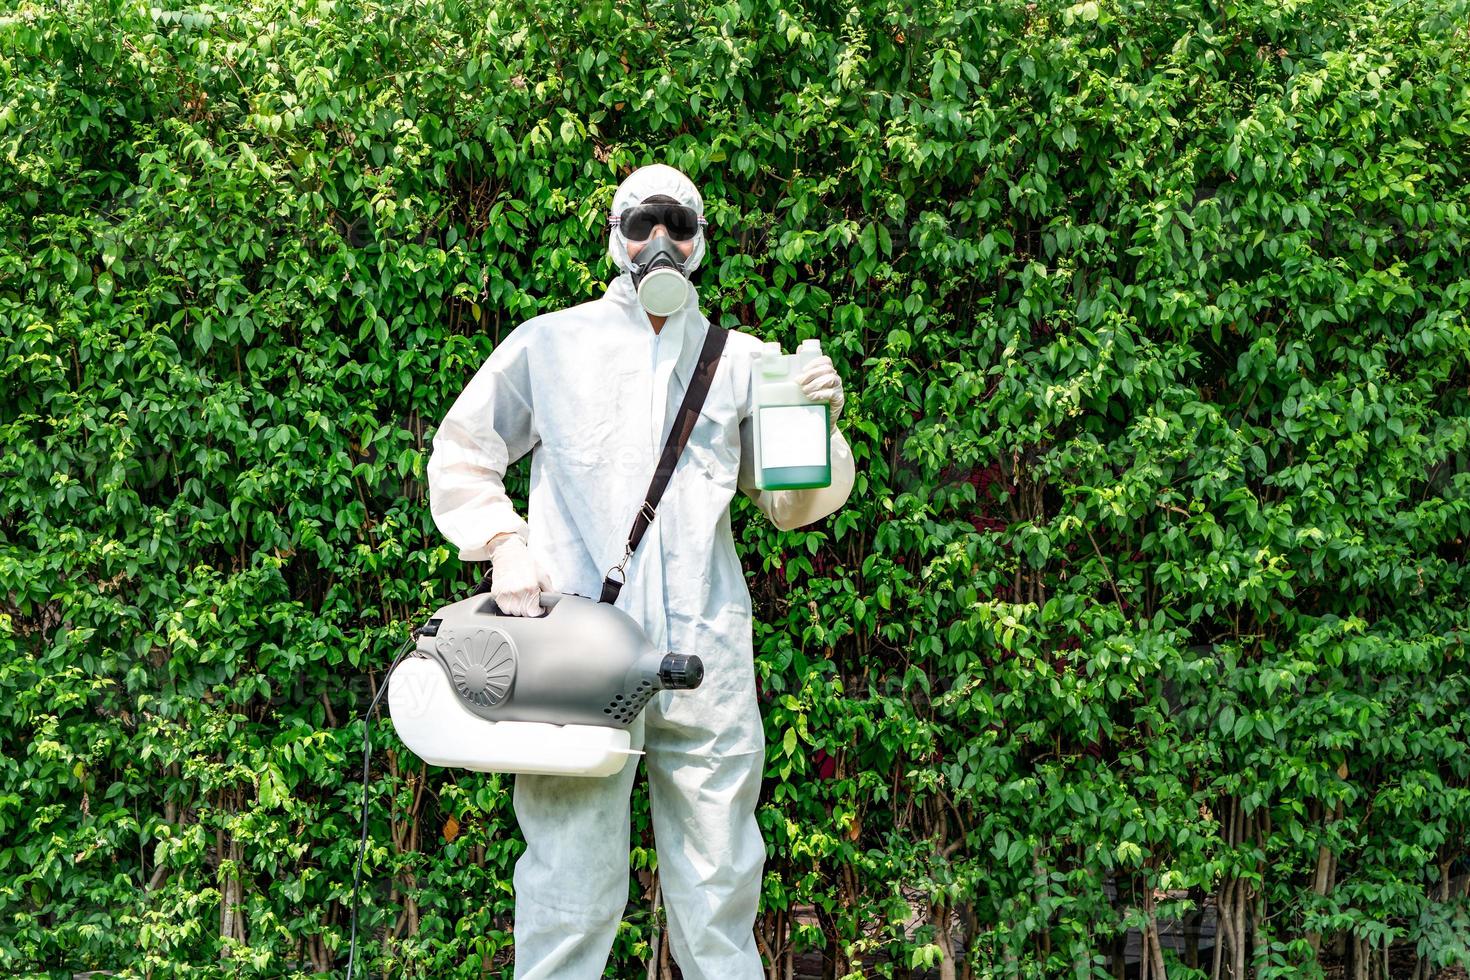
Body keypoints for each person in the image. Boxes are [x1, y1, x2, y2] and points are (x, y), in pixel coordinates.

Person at [425, 163, 855, 980]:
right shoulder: (549, 345)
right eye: (641, 224)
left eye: (678, 225)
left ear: (699, 244)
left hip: (704, 664)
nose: (659, 242)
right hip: (580, 664)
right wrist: (504, 543)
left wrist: (819, 424)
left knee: (718, 897)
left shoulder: (743, 362)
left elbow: (794, 508)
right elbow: (462, 450)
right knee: (566, 895)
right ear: (615, 238)